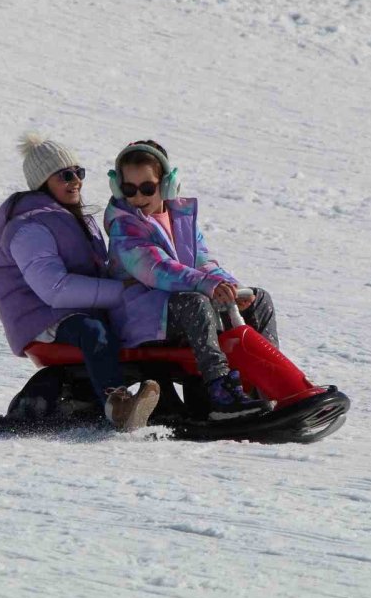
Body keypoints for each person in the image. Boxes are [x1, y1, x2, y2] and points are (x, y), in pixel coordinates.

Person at [0, 132, 158, 431]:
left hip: (74, 309)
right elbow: (54, 289)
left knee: (143, 322)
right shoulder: (30, 228)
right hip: (38, 316)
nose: (75, 180)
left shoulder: (77, 219)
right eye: (65, 175)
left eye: (78, 173)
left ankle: (173, 396)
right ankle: (118, 404)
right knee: (92, 332)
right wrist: (120, 292)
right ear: (43, 183)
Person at [103, 140, 277, 421]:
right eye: (129, 189)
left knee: (260, 299)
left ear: (167, 184)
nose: (138, 196)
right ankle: (219, 392)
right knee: (195, 302)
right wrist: (208, 286)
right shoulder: (124, 226)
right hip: (143, 317)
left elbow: (203, 261)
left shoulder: (180, 218)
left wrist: (230, 287)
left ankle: (267, 385)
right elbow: (156, 268)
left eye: (147, 188)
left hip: (176, 307)